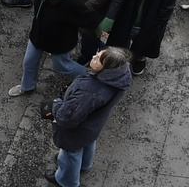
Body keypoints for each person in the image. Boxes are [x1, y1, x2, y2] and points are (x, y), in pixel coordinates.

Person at [51, 45, 131, 187]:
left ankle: (66, 180)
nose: (94, 57)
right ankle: (84, 165)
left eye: (99, 59)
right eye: (98, 53)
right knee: (88, 142)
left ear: (107, 69)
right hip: (93, 125)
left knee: (71, 153)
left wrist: (55, 105)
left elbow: (66, 117)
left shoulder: (90, 90)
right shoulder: (121, 74)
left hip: (77, 129)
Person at [11, 0, 91, 97]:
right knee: (29, 61)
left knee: (62, 65)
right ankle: (27, 86)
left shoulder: (72, 1)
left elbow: (90, 18)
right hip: (38, 34)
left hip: (59, 41)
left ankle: (91, 79)